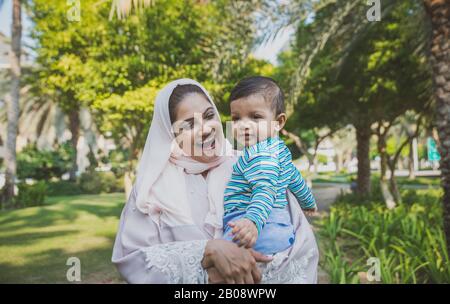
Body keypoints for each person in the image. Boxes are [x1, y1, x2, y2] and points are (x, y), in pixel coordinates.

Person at [111, 78, 319, 283]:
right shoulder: (151, 190)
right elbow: (133, 260)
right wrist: (208, 252)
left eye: (209, 116)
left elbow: (303, 248)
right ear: (171, 133)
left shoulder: (251, 164)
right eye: (189, 124)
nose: (206, 129)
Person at [222, 76, 318, 255]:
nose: (244, 125)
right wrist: (309, 202)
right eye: (236, 119)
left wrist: (252, 222)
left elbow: (264, 190)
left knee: (217, 257)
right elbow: (296, 180)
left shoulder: (259, 154)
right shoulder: (279, 151)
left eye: (255, 117)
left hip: (253, 224)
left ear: (279, 122)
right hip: (279, 226)